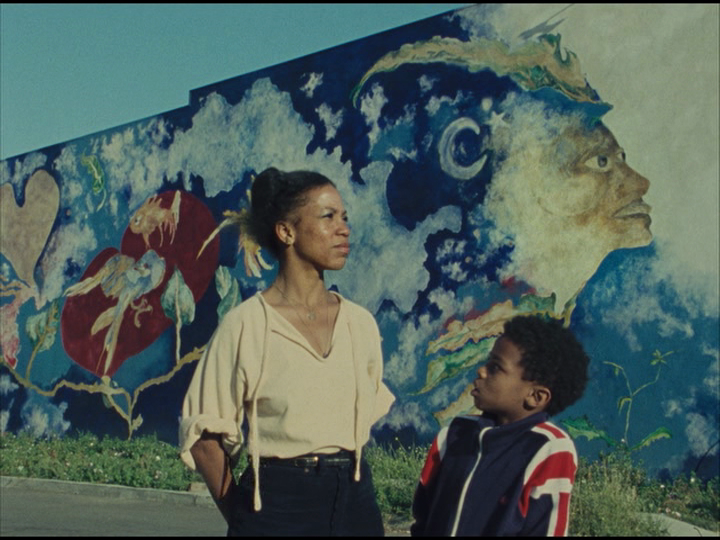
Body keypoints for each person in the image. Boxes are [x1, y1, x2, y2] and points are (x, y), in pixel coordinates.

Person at [179, 167, 395, 536]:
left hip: (355, 498)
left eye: (344, 217)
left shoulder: (360, 325)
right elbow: (203, 441)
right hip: (278, 500)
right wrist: (248, 520)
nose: (343, 228)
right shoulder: (247, 325)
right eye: (328, 217)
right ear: (286, 231)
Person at [410, 315, 590, 537]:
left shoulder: (547, 448)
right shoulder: (454, 435)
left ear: (535, 396)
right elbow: (423, 518)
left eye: (495, 367)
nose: (481, 371)